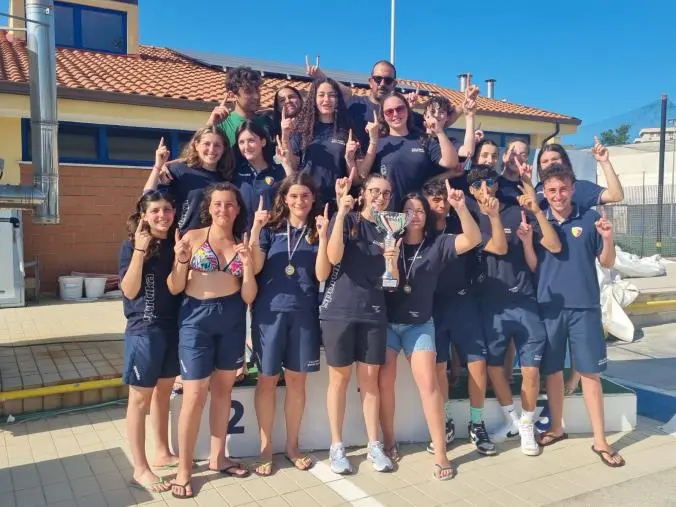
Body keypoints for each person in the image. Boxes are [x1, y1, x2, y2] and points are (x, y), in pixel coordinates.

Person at [379, 186, 481, 480]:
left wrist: (461, 207)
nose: (414, 216)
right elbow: (387, 285)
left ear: (427, 215)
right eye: (408, 211)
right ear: (399, 215)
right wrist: (389, 259)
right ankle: (388, 440)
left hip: (420, 324)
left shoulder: (439, 244)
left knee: (429, 385)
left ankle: (440, 452)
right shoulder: (389, 239)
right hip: (388, 324)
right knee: (385, 381)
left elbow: (473, 239)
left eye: (420, 211)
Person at [166, 182, 256, 499]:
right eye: (217, 204)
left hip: (231, 317)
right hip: (196, 319)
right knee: (193, 395)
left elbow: (248, 296)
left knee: (223, 391)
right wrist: (179, 260)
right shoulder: (192, 237)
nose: (223, 210)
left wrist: (247, 267)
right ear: (210, 206)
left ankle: (219, 457)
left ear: (237, 208)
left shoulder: (243, 243)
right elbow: (175, 287)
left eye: (229, 204)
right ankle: (185, 470)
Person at [467, 165, 562, 456]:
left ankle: (526, 426)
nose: (485, 186)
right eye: (479, 183)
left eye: (490, 180)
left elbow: (542, 256)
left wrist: (528, 236)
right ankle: (515, 422)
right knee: (495, 368)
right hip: (491, 307)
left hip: (524, 302)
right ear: (471, 190)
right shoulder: (469, 218)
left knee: (531, 371)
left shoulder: (515, 211)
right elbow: (496, 247)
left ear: (497, 184)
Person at [534, 164, 625, 468]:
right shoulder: (537, 220)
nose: (558, 195)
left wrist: (609, 239)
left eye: (563, 189)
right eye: (551, 191)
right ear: (543, 193)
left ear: (572, 188)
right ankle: (557, 427)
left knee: (589, 374)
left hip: (585, 307)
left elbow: (607, 262)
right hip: (548, 307)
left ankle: (600, 440)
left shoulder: (590, 218)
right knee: (554, 372)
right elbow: (532, 263)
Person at [247, 173, 331, 476]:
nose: (299, 201)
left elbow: (322, 275)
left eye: (305, 195)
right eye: (294, 196)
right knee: (267, 380)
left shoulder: (317, 230)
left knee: (297, 382)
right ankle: (266, 447)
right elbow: (254, 267)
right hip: (269, 315)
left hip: (304, 315)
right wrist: (255, 228)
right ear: (284, 199)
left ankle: (293, 446)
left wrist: (322, 239)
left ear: (313, 199)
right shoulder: (269, 229)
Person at [320, 172, 398, 474]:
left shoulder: (390, 229)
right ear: (363, 193)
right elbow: (333, 256)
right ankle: (336, 446)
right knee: (338, 382)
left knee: (370, 383)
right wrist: (340, 212)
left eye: (387, 193)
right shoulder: (349, 220)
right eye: (375, 191)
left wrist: (391, 260)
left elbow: (390, 284)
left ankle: (374, 445)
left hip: (374, 313)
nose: (381, 197)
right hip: (338, 312)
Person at [424, 174, 506, 456]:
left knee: (478, 364)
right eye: (435, 200)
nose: (441, 205)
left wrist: (459, 207)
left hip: (464, 302)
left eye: (443, 200)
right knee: (438, 368)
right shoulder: (418, 229)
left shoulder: (463, 221)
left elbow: (493, 246)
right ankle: (445, 420)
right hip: (432, 306)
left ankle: (476, 423)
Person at [119, 191, 181, 493]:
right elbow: (129, 291)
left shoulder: (176, 242)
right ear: (144, 214)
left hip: (172, 328)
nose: (162, 216)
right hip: (144, 328)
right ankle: (139, 468)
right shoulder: (132, 244)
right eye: (155, 211)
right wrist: (140, 252)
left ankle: (161, 450)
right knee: (140, 400)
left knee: (163, 394)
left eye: (167, 210)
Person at [355, 92, 459, 208]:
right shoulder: (377, 141)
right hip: (385, 212)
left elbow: (451, 162)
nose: (395, 114)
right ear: (383, 116)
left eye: (400, 109)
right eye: (389, 111)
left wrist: (439, 131)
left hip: (416, 213)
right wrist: (373, 141)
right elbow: (363, 174)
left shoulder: (423, 139)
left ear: (407, 111)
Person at [144, 127, 235, 234]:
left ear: (223, 148)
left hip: (212, 243)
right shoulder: (179, 170)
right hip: (182, 240)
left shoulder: (226, 178)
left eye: (217, 145)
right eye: (206, 144)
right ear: (196, 145)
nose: (211, 149)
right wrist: (158, 166)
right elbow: (148, 196)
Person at [288, 77, 357, 209]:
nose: (326, 100)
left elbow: (354, 176)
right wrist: (285, 139)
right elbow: (294, 165)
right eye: (321, 95)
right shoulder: (301, 129)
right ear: (314, 98)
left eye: (332, 95)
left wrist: (350, 158)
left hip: (336, 200)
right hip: (306, 201)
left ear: (338, 100)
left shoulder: (346, 130)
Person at [234, 120, 295, 227]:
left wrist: (286, 164)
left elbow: (293, 192)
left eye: (251, 141)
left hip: (273, 235)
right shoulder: (234, 171)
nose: (246, 146)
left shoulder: (277, 171)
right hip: (243, 237)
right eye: (241, 142)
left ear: (263, 142)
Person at [208, 66, 273, 149]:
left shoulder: (268, 122)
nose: (256, 96)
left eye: (257, 90)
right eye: (248, 92)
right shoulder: (221, 124)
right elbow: (197, 155)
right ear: (232, 96)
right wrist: (210, 124)